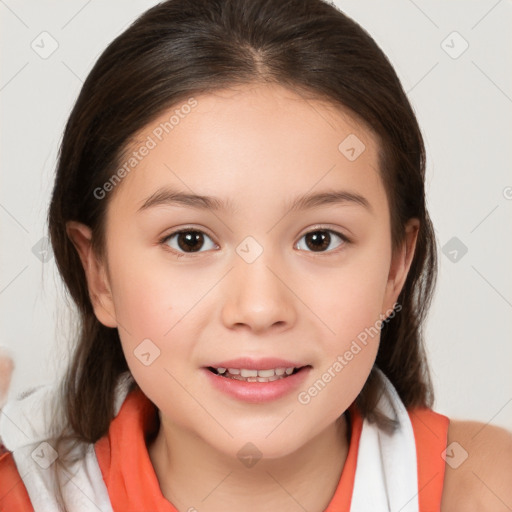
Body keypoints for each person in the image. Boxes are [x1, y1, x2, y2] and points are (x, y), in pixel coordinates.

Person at [1, 0, 511, 510]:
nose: (260, 308)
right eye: (190, 240)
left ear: (396, 268)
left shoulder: (486, 488)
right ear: (99, 273)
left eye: (319, 239)